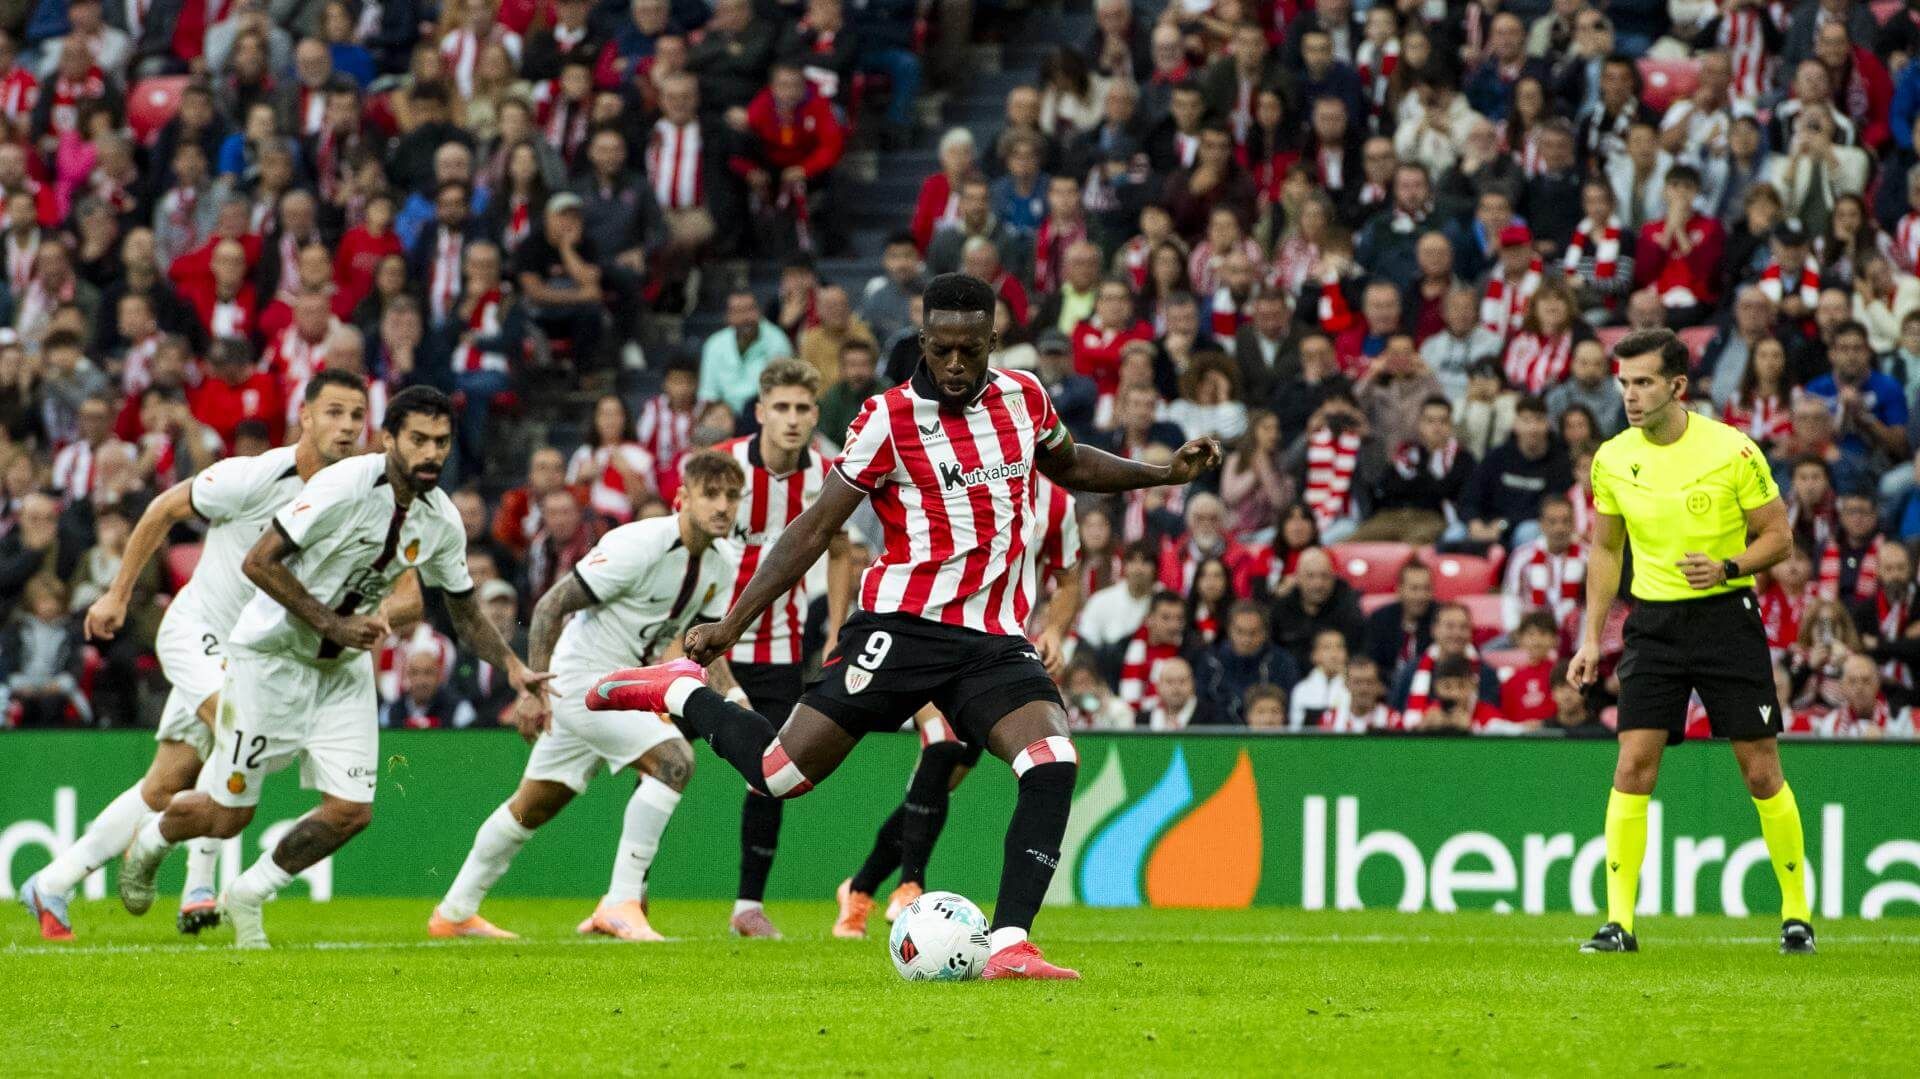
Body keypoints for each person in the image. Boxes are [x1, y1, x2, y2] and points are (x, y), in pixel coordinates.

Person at [588, 273, 1220, 981]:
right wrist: (732, 625)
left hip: (991, 640)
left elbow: (1069, 462)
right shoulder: (886, 418)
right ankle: (677, 692)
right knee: (780, 774)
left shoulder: (1025, 397)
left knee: (1052, 763)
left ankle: (1010, 942)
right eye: (943, 349)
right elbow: (814, 527)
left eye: (971, 350)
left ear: (990, 343)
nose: (955, 365)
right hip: (901, 626)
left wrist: (1163, 473)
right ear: (923, 340)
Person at [116, 388, 552, 950]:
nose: (431, 453)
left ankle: (250, 893)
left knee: (351, 812)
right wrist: (333, 623)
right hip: (269, 663)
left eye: (441, 442)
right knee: (227, 817)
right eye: (418, 439)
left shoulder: (441, 519)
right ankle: (151, 841)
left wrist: (514, 666)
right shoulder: (342, 487)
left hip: (341, 673)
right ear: (389, 438)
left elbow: (463, 605)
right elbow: (258, 561)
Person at [18, 370, 371, 942]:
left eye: (357, 415)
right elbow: (161, 509)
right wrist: (117, 592)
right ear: (304, 417)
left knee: (165, 786)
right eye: (334, 412)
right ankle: (200, 884)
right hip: (198, 634)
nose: (347, 426)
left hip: (254, 657)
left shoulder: (354, 498)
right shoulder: (255, 476)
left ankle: (52, 880)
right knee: (239, 733)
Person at [429, 451, 746, 943]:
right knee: (674, 762)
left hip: (619, 686)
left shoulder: (722, 565)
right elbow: (552, 604)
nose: (723, 506)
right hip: (579, 680)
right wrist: (535, 690)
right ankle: (620, 904)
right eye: (711, 494)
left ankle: (454, 911)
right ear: (682, 498)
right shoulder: (638, 544)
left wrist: (737, 701)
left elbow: (704, 644)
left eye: (731, 496)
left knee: (532, 806)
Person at [1569, 328, 1813, 955]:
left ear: (1677, 386)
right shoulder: (1613, 458)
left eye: (1644, 381)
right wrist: (1591, 638)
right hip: (1653, 625)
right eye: (1624, 382)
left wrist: (1729, 566)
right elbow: (1605, 548)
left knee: (1760, 772)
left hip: (1726, 619)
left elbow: (1778, 539)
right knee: (1632, 765)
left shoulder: (1732, 451)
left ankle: (1795, 915)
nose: (1629, 393)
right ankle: (1618, 923)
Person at [837, 473, 1083, 935]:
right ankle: (911, 884)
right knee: (942, 741)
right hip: (923, 640)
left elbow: (1068, 578)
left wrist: (1053, 630)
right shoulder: (956, 472)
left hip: (994, 659)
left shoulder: (1057, 504)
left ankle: (861, 887)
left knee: (940, 783)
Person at [711, 360, 856, 939]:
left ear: (816, 414)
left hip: (776, 654)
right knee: (662, 761)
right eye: (783, 408)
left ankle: (748, 905)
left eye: (803, 409)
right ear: (761, 411)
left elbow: (843, 549)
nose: (793, 419)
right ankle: (629, 895)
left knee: (771, 774)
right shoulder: (722, 467)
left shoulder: (824, 473)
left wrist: (834, 631)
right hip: (704, 643)